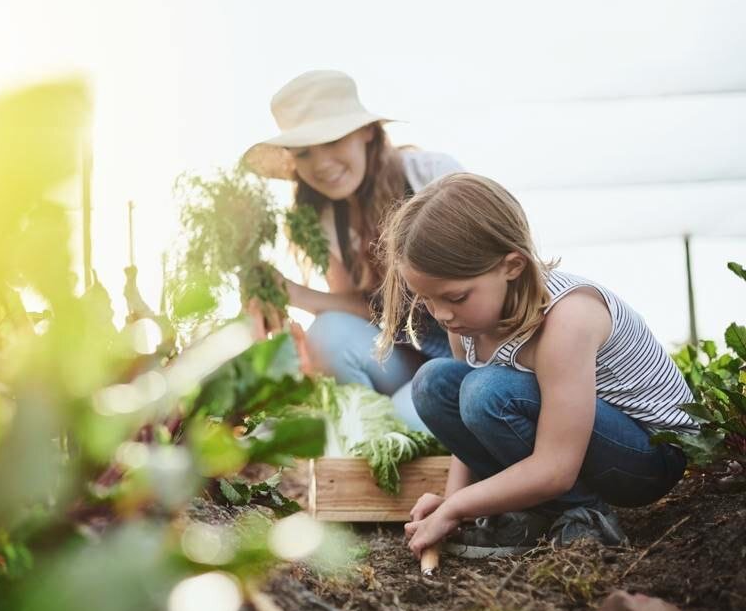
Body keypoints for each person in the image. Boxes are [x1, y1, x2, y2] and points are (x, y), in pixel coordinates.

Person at [376, 173, 695, 557]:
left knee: (486, 392)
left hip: (648, 456)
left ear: (512, 265)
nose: (441, 314)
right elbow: (467, 433)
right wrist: (452, 500)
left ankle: (586, 515)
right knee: (434, 382)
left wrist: (458, 507)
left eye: (455, 296)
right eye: (426, 299)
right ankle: (537, 513)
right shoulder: (465, 321)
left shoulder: (568, 318)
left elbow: (556, 467)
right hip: (573, 443)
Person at [243, 70, 462, 431]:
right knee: (328, 333)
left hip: (472, 359)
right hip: (409, 360)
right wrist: (290, 294)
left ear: (367, 132)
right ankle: (367, 437)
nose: (321, 164)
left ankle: (399, 431)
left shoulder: (431, 176)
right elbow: (361, 310)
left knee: (407, 415)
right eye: (305, 153)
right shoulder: (328, 218)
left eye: (332, 141)